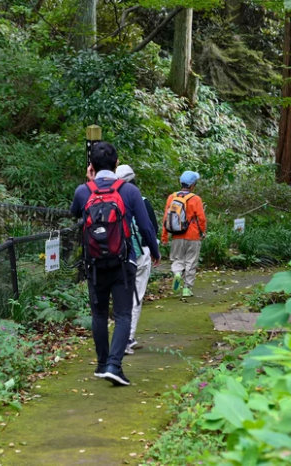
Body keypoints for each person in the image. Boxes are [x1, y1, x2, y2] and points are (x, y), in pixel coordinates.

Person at [70, 143, 161, 386]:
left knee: (98, 314)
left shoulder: (83, 191)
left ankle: (102, 365)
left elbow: (74, 212)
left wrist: (88, 183)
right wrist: (154, 250)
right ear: (116, 163)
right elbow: (145, 226)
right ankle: (114, 365)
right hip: (123, 262)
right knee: (122, 314)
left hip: (94, 264)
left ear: (91, 165)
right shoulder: (129, 191)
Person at [115, 164, 159, 355]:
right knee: (135, 296)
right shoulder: (141, 201)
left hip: (113, 254)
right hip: (138, 254)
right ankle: (126, 338)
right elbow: (150, 229)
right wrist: (155, 251)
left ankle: (121, 337)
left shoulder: (109, 200)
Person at [161, 171, 206, 298]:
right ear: (192, 185)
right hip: (193, 236)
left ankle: (177, 273)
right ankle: (187, 289)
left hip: (177, 236)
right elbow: (201, 218)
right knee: (191, 262)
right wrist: (202, 232)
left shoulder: (172, 197)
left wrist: (164, 237)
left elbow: (166, 218)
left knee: (177, 259)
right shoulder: (196, 199)